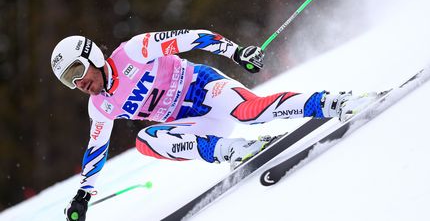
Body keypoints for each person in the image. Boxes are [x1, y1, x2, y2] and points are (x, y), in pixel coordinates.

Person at [52, 29, 375, 221]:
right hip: (194, 123)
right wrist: (83, 195)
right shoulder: (101, 106)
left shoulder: (134, 51)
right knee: (146, 141)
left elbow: (191, 37)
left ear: (91, 55)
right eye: (69, 80)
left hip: (205, 89)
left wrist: (235, 53)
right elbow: (96, 149)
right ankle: (237, 150)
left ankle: (335, 103)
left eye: (77, 70)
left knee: (250, 112)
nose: (78, 82)